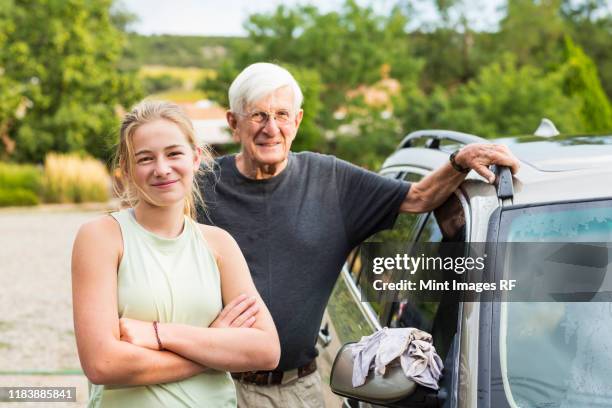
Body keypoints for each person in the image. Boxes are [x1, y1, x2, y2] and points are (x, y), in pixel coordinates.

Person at [198, 62, 520, 407]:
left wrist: (459, 161)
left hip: (297, 391)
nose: (271, 128)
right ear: (234, 123)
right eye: (258, 115)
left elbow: (418, 198)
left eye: (281, 114)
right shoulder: (200, 188)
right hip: (213, 386)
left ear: (298, 120)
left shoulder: (331, 181)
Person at [72, 100, 280, 407]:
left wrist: (159, 335)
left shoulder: (219, 244)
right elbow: (102, 364)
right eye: (145, 158)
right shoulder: (101, 238)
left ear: (195, 158)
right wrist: (214, 345)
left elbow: (266, 350)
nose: (161, 169)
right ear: (127, 170)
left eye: (173, 153)